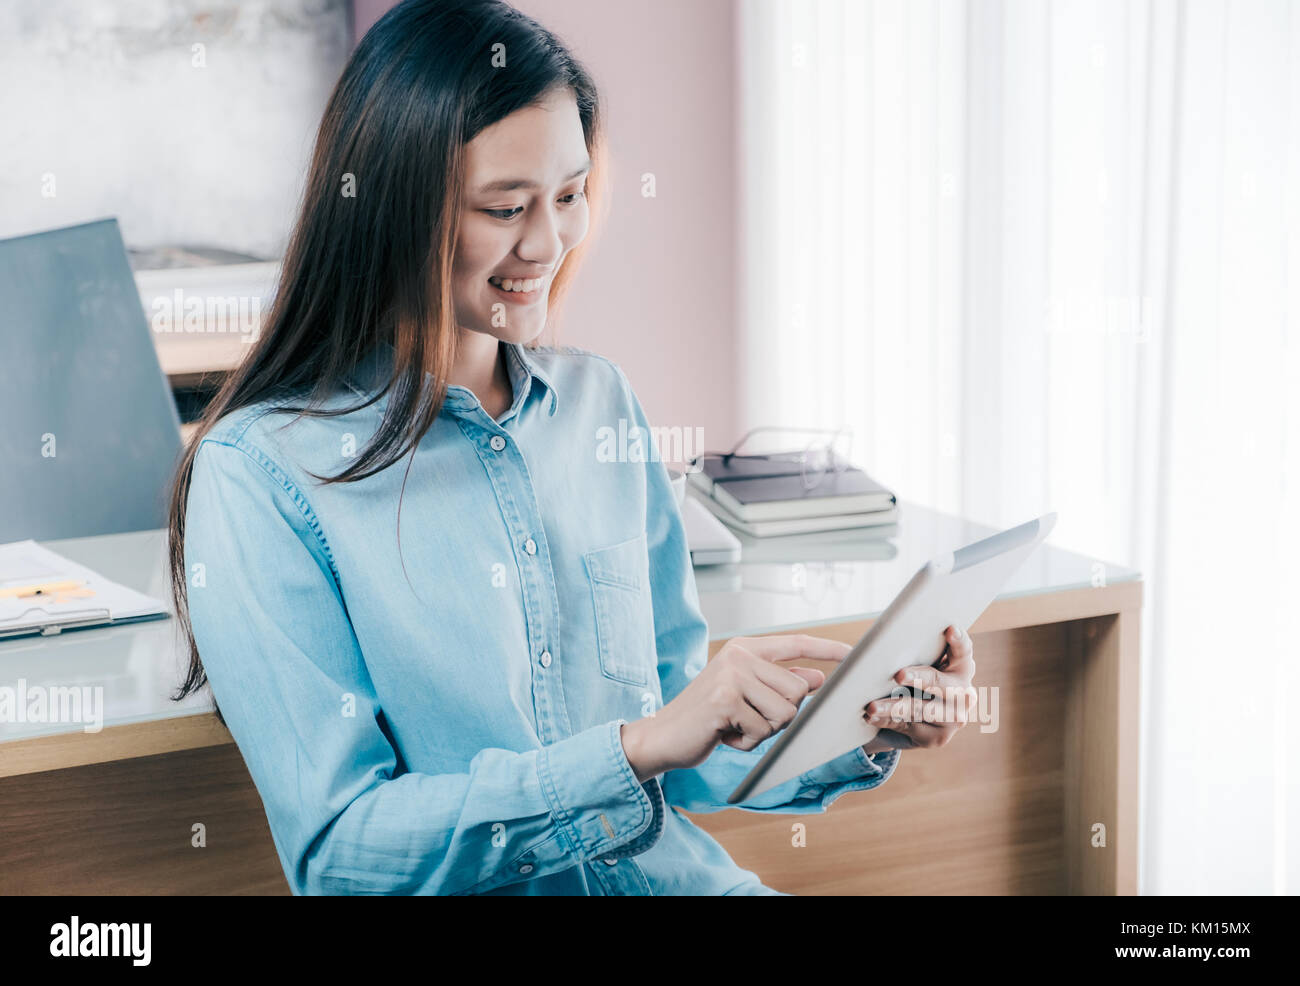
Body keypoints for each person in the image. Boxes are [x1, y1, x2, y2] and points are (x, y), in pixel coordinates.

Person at [168, 0, 977, 896]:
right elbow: (342, 853)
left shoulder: (600, 406)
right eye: (507, 207)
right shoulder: (260, 476)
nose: (550, 243)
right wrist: (635, 748)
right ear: (392, 209)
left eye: (570, 195)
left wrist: (854, 726)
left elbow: (682, 748)